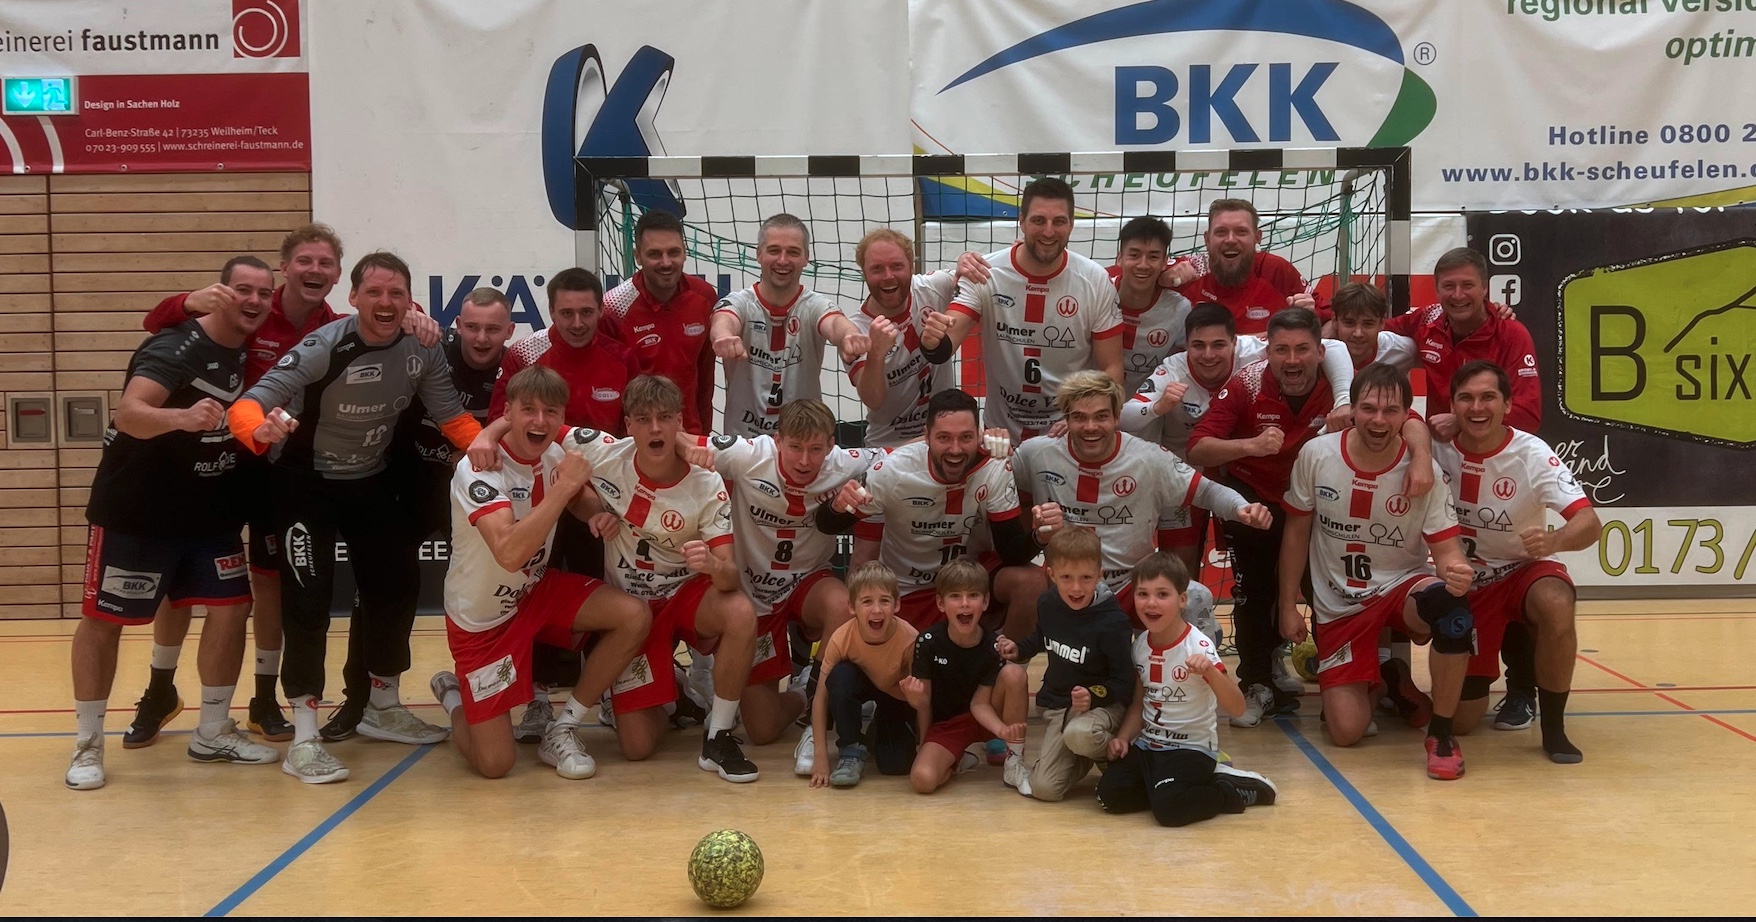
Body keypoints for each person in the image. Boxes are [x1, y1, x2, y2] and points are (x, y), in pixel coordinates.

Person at [227, 251, 483, 784]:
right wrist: (258, 430)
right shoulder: (325, 345)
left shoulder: (422, 348)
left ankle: (382, 706)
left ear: (409, 301)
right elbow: (248, 404)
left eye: (396, 294)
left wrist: (489, 449)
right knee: (308, 604)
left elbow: (451, 415)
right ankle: (304, 738)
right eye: (374, 292)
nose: (385, 303)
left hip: (369, 480)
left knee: (396, 584)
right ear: (354, 298)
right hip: (304, 485)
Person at [127, 224, 349, 747]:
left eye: (325, 263)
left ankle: (264, 698)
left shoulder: (336, 327)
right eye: (305, 260)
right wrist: (187, 300)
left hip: (279, 471)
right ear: (284, 268)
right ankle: (159, 689)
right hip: (215, 463)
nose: (315, 270)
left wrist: (415, 316)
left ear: (338, 274)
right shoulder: (252, 309)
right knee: (180, 582)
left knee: (269, 586)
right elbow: (157, 322)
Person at [67, 256, 278, 790]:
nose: (254, 301)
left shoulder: (251, 348)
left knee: (232, 609)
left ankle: (212, 732)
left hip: (209, 512)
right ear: (220, 292)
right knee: (104, 622)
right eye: (243, 290)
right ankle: (88, 744)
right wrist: (182, 418)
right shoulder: (177, 347)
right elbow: (128, 413)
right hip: (137, 511)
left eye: (263, 293)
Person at [1187, 308, 1434, 728]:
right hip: (1258, 500)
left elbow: (1404, 417)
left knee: (1326, 588)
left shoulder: (1342, 387)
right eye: (1281, 350)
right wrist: (1250, 446)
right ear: (1267, 352)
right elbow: (1197, 447)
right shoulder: (1246, 383)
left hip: (1318, 501)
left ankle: (1357, 681)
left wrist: (1423, 456)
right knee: (1253, 592)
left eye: (1302, 349)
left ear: (1321, 352)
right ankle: (1258, 683)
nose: (1292, 360)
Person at [429, 366, 651, 780]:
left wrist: (596, 514)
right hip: (482, 621)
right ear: (508, 412)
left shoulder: (554, 454)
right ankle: (455, 698)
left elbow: (581, 499)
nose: (539, 420)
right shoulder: (479, 468)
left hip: (534, 592)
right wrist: (564, 488)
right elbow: (509, 553)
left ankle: (564, 727)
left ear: (561, 416)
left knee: (633, 615)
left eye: (550, 411)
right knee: (495, 764)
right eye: (528, 409)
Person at [557, 376, 763, 782]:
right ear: (628, 425)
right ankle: (673, 692)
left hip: (685, 597)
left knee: (740, 611)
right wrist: (593, 510)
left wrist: (712, 564)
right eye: (644, 419)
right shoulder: (604, 451)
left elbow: (730, 577)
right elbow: (540, 426)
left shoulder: (706, 482)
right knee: (636, 748)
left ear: (679, 423)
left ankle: (719, 738)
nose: (655, 428)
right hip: (632, 611)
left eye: (665, 418)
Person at [1279, 362, 1477, 780]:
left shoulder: (1425, 472)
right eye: (1368, 409)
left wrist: (1456, 571)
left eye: (1390, 411)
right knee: (1346, 733)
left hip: (1400, 588)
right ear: (1351, 409)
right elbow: (1295, 534)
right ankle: (1386, 678)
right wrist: (1287, 606)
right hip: (1339, 604)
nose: (1379, 420)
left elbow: (1447, 550)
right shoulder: (1317, 454)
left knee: (1452, 609)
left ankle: (1441, 736)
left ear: (1407, 415)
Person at [1015, 370, 1272, 630]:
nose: (1090, 427)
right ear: (1066, 419)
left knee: (1195, 598)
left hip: (1133, 583)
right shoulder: (1035, 454)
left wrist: (1241, 507)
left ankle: (1179, 656)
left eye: (1101, 416)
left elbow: (1207, 492)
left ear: (1117, 417)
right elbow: (1000, 487)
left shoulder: (1148, 458)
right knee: (1028, 589)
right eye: (1079, 417)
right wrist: (994, 448)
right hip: (1069, 586)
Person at [690, 398, 878, 750]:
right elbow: (677, 442)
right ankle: (802, 695)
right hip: (753, 596)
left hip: (807, 585)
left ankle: (819, 705)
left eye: (815, 449)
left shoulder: (844, 463)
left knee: (843, 605)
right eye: (795, 447)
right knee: (762, 730)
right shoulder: (749, 455)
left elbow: (904, 452)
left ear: (831, 445)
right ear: (777, 441)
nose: (805, 460)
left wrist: (978, 437)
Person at [1435, 360, 1599, 763]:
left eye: (1488, 397)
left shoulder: (1531, 452)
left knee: (1556, 602)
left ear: (1508, 404)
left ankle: (1554, 730)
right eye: (1466, 398)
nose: (1477, 407)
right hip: (1468, 584)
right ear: (1451, 406)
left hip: (1521, 571)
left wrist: (1554, 540)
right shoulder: (1435, 448)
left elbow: (1589, 523)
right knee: (1463, 722)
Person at [1121, 302, 1356, 573]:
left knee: (1261, 561)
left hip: (1235, 471)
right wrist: (1157, 407)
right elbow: (1123, 418)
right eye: (1198, 346)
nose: (1208, 355)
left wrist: (1343, 401)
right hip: (1184, 468)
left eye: (1219, 345)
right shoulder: (1172, 371)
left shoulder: (1258, 351)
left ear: (1235, 342)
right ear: (1186, 346)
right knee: (1179, 564)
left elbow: (1333, 348)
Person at [920, 177, 1124, 442]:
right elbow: (944, 345)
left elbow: (1112, 367)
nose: (1048, 231)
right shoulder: (985, 272)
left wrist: (1084, 417)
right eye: (1038, 220)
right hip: (1001, 434)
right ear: (1022, 221)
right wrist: (932, 340)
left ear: (1071, 225)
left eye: (1059, 221)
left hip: (1068, 431)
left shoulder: (1094, 280)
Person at [826, 388, 1041, 637]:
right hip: (907, 587)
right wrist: (836, 506)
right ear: (926, 437)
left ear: (979, 435)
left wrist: (1040, 536)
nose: (955, 449)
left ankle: (1006, 659)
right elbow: (828, 524)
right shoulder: (893, 470)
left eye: (966, 437)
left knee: (1031, 582)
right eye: (944, 438)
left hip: (970, 581)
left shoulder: (995, 464)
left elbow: (1011, 552)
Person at [1097, 552, 1278, 826]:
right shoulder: (1141, 644)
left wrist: (1210, 673)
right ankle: (1169, 788)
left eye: (1162, 594)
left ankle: (1226, 789)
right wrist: (1123, 738)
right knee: (1109, 796)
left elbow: (1238, 708)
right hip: (1149, 746)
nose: (1151, 603)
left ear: (1182, 600)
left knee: (1169, 811)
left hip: (1190, 749)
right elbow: (1139, 702)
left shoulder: (1198, 646)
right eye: (1143, 594)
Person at [996, 527, 1134, 802]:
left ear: (1100, 575)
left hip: (1103, 706)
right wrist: (1019, 648)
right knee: (1045, 790)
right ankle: (1085, 753)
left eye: (1086, 578)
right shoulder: (1048, 603)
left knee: (1080, 734)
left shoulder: (1113, 622)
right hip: (1060, 705)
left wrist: (1094, 696)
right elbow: (1041, 636)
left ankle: (1119, 754)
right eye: (1067, 577)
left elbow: (1126, 683)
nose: (1076, 588)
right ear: (1051, 574)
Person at [709, 213, 869, 438]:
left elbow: (835, 323)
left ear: (806, 258)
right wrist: (724, 336)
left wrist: (849, 335)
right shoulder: (741, 302)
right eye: (774, 250)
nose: (783, 260)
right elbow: (724, 319)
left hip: (802, 446)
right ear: (758, 254)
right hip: (744, 445)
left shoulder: (814, 305)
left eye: (793, 252)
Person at [899, 558, 1029, 794]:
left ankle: (1014, 759)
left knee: (1014, 673)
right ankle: (958, 759)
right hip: (948, 725)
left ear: (985, 601)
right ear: (940, 603)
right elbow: (924, 704)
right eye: (955, 596)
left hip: (986, 716)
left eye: (973, 595)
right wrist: (923, 741)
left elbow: (980, 704)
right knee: (922, 780)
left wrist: (1002, 730)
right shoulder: (928, 642)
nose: (965, 604)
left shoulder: (993, 645)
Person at [601, 209, 720, 435]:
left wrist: (703, 436)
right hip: (639, 440)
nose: (666, 263)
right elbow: (609, 393)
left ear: (685, 252)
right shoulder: (613, 309)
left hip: (690, 434)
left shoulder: (704, 296)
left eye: (674, 252)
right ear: (637, 256)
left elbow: (705, 378)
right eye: (655, 254)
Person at [805, 563, 919, 788]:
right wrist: (821, 755)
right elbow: (820, 699)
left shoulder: (910, 639)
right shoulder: (841, 637)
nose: (876, 610)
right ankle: (851, 749)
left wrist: (924, 743)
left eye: (884, 601)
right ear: (852, 607)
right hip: (858, 682)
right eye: (867, 601)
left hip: (895, 694)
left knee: (896, 765)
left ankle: (879, 728)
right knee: (839, 677)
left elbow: (924, 697)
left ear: (897, 605)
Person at [844, 229, 959, 449]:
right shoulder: (856, 330)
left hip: (943, 438)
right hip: (889, 447)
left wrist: (966, 260)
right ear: (864, 273)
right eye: (877, 269)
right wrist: (876, 354)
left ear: (912, 267)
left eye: (896, 266)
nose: (888, 276)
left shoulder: (933, 287)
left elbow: (978, 277)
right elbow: (873, 400)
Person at [1161, 198, 1326, 336]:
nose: (1230, 240)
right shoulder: (1187, 272)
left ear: (1257, 237)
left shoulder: (1275, 269)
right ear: (1207, 239)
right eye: (1221, 232)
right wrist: (1159, 279)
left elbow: (1328, 317)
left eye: (1241, 232)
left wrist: (1312, 315)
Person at [1108, 215, 1191, 391]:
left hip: (1151, 404)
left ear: (1164, 262)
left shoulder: (1179, 309)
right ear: (1119, 258)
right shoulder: (1098, 293)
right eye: (1134, 255)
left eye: (1153, 257)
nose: (1143, 265)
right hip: (1096, 402)